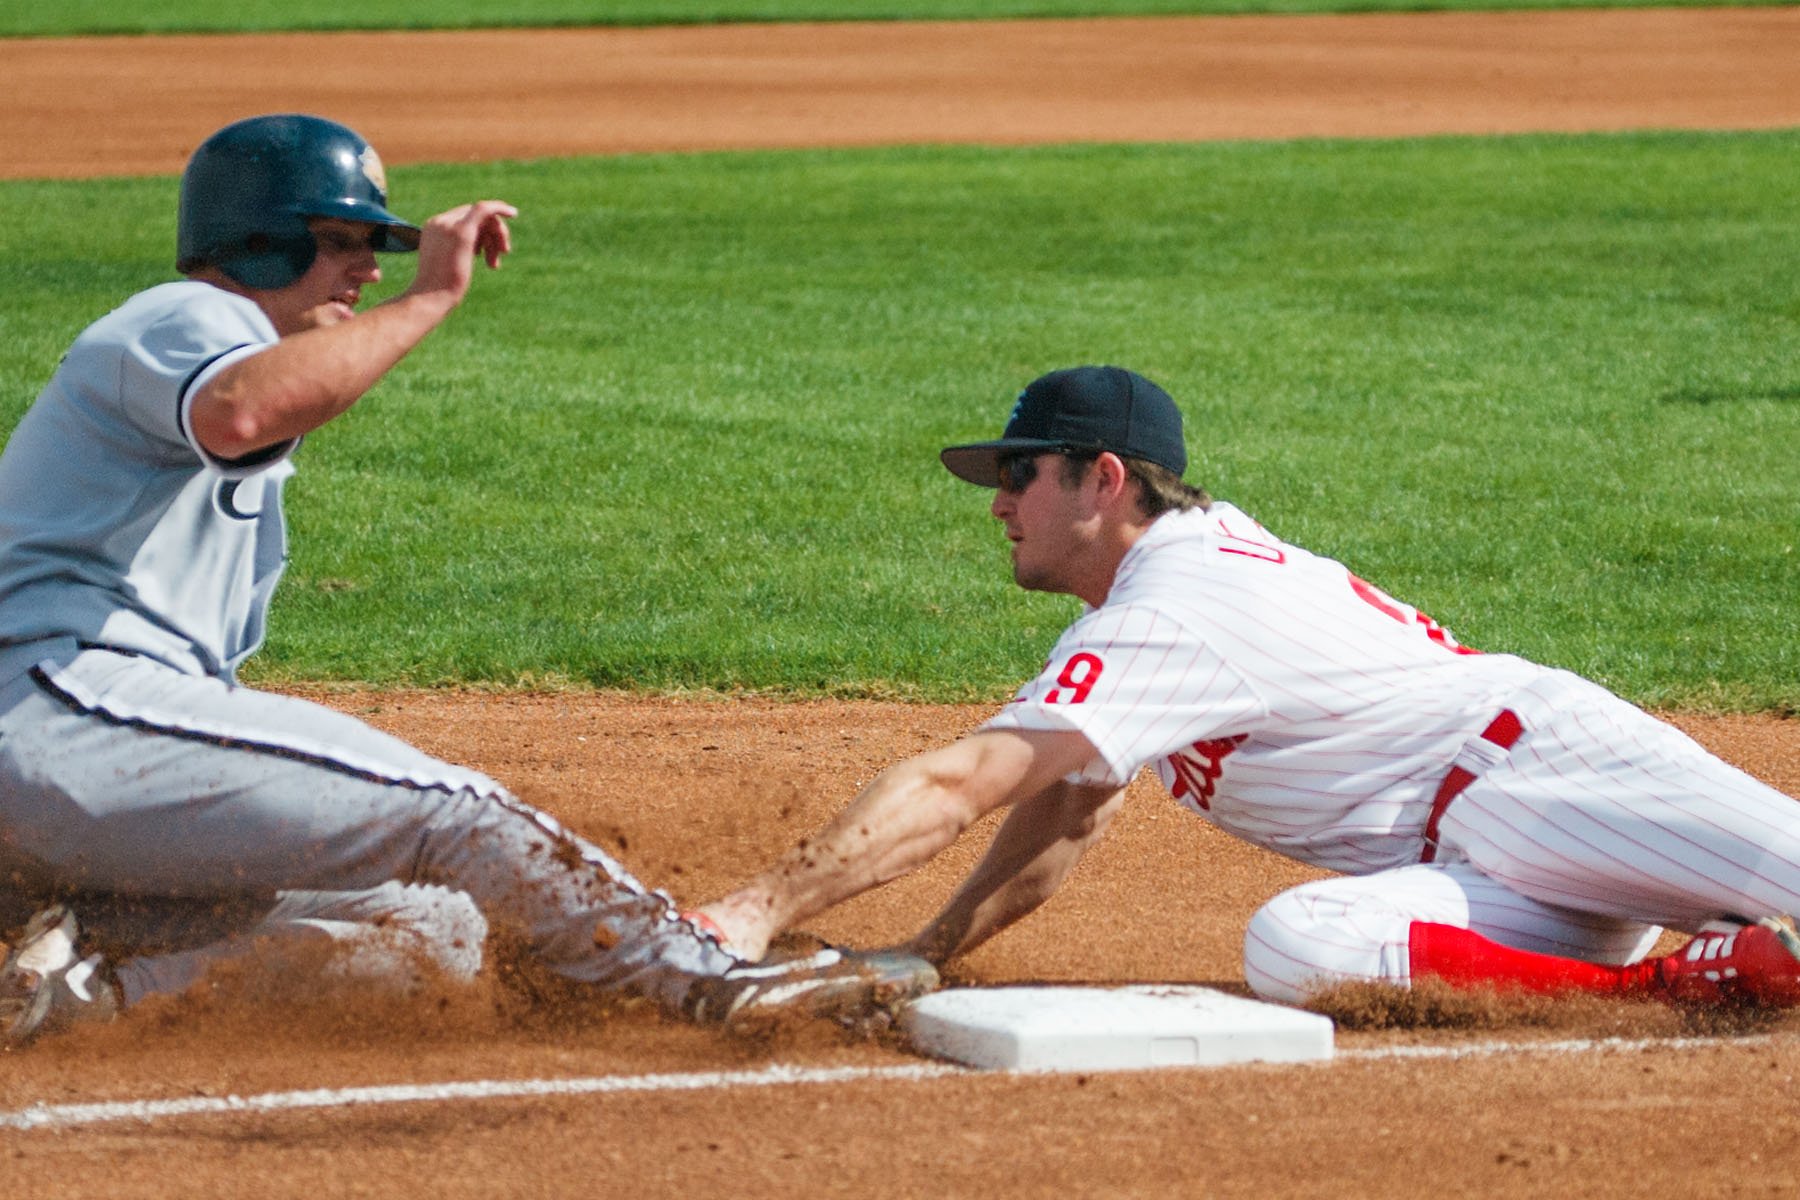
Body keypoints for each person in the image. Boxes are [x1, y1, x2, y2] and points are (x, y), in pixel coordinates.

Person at [0, 113, 935, 1044]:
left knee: (436, 930)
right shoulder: (188, 316)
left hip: (84, 771)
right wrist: (429, 298)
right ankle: (703, 974)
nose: (367, 269)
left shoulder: (214, 357)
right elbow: (242, 411)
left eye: (374, 248)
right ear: (256, 239)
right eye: (339, 243)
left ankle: (94, 978)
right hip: (60, 709)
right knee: (456, 815)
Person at [698, 364, 1800, 1011]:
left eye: (1019, 475)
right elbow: (1068, 806)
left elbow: (966, 780)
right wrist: (929, 953)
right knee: (1300, 948)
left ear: (1105, 479)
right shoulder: (1146, 610)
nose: (998, 503)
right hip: (1482, 883)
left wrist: (754, 911)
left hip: (1551, 778)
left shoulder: (1176, 607)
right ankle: (1680, 984)